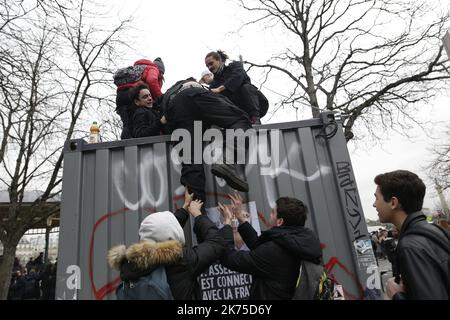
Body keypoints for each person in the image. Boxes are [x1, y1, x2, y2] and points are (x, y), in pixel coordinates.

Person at [108, 191, 225, 300]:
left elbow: (160, 231)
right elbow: (216, 242)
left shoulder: (130, 263)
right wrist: (198, 215)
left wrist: (185, 208)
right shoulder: (182, 260)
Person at [160, 78, 251, 203]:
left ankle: (199, 215)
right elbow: (228, 107)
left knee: (191, 163)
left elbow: (166, 123)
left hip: (175, 108)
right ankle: (226, 162)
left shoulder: (169, 93)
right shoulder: (199, 87)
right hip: (194, 95)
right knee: (241, 119)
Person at [218, 193, 322, 299]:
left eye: (273, 213)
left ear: (280, 221)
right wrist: (241, 218)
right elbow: (259, 247)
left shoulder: (274, 251)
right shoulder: (301, 242)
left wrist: (226, 224)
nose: (270, 215)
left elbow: (229, 259)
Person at [373, 170, 450, 300]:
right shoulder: (436, 231)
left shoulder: (410, 246)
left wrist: (396, 294)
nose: (374, 204)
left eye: (376, 198)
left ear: (393, 202)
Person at [205, 50, 268, 124]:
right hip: (239, 113)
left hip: (257, 105)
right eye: (207, 66)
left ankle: (255, 119)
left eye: (211, 63)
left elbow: (237, 77)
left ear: (219, 60)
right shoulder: (214, 84)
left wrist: (219, 89)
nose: (209, 67)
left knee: (246, 87)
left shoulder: (235, 66)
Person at [116, 57, 165, 139]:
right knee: (140, 120)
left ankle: (126, 144)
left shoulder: (139, 68)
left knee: (127, 124)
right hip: (132, 93)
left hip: (121, 96)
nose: (162, 75)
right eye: (162, 72)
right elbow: (151, 81)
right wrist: (161, 99)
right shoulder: (153, 68)